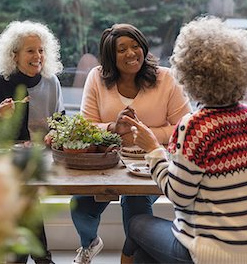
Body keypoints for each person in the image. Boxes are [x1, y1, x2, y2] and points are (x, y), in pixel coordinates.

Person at [122, 16, 247, 264]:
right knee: (143, 255)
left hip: (211, 255)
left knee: (135, 224)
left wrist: (152, 149)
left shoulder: (196, 125)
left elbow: (178, 196)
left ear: (189, 74)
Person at [70, 23, 192, 264]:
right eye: (121, 49)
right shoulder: (96, 77)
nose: (131, 53)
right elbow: (85, 126)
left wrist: (146, 135)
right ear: (110, 56)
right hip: (107, 161)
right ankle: (89, 244)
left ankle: (136, 258)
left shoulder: (165, 78)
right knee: (80, 204)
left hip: (151, 162)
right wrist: (113, 128)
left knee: (135, 206)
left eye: (135, 46)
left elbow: (185, 125)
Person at [0, 20, 65, 264]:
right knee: (24, 196)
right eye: (30, 51)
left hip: (40, 160)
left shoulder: (51, 82)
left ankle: (27, 259)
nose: (38, 56)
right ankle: (42, 259)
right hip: (3, 161)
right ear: (14, 55)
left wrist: (55, 134)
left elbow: (61, 124)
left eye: (41, 50)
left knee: (24, 196)